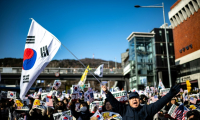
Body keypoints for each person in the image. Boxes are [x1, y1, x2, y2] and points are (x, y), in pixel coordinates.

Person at [101, 84, 180, 120]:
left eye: (136, 98)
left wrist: (171, 94)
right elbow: (114, 102)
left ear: (139, 100)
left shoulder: (146, 109)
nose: (134, 100)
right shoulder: (124, 109)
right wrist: (107, 92)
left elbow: (160, 103)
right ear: (129, 101)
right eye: (132, 99)